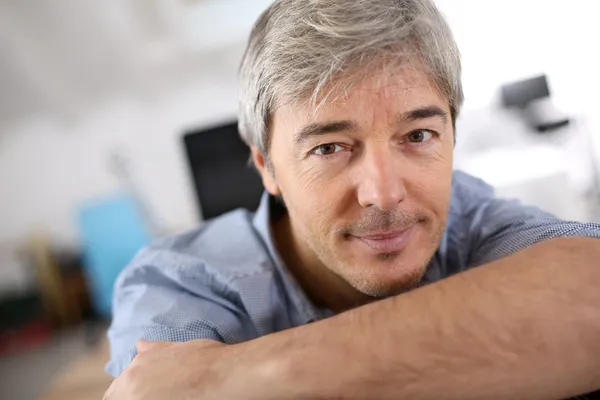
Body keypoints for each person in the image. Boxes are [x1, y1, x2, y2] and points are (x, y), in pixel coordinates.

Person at [104, 0, 600, 398]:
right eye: (329, 148)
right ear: (266, 167)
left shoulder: (476, 221)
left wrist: (225, 376)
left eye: (419, 135)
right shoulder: (180, 281)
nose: (384, 193)